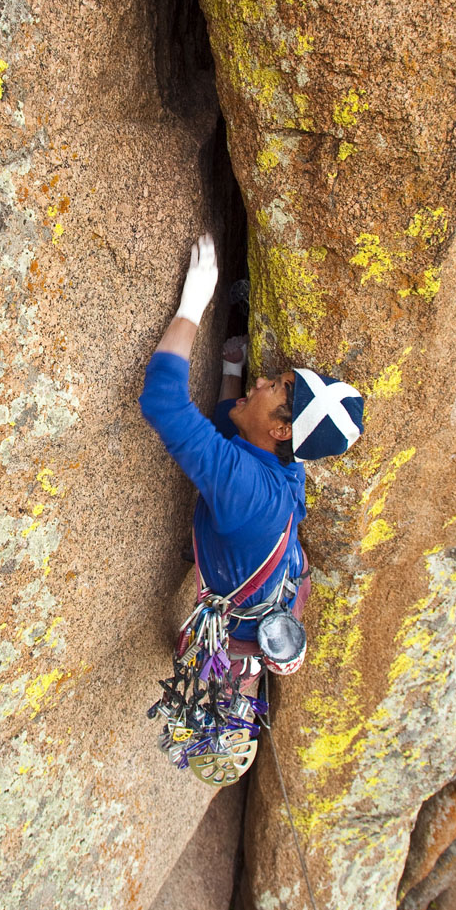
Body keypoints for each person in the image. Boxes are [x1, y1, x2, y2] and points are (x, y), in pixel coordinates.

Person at [139, 235, 365, 670]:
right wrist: (229, 368)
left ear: (283, 428)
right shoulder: (285, 461)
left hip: (243, 621)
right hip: (264, 574)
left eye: (274, 386)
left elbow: (163, 401)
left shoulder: (249, 491)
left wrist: (192, 306)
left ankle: (240, 675)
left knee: (229, 673)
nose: (259, 382)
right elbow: (230, 431)